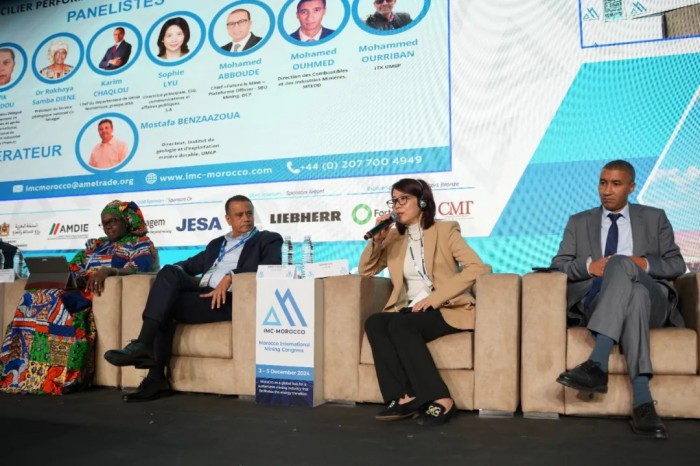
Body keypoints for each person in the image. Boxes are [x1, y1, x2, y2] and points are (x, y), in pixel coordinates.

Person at [552, 160, 686, 439]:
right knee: (634, 295)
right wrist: (589, 267)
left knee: (625, 268)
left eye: (615, 184)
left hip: (655, 302)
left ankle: (597, 363)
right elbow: (559, 264)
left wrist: (642, 263)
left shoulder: (655, 217)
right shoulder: (579, 221)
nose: (607, 190)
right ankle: (643, 403)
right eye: (603, 183)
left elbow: (676, 264)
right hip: (598, 301)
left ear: (631, 187)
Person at [104, 195, 283, 402]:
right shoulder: (217, 244)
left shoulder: (268, 239)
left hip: (229, 299)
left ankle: (150, 366)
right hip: (202, 293)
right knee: (169, 273)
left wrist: (231, 276)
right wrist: (167, 276)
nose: (246, 218)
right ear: (228, 219)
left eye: (249, 213)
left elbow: (271, 266)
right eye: (239, 215)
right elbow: (189, 265)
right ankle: (149, 360)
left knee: (165, 305)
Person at [360, 178, 488, 426]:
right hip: (411, 310)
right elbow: (366, 270)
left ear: (421, 202)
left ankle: (442, 399)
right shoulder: (394, 238)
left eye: (403, 199)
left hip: (446, 307)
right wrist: (377, 240)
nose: (397, 206)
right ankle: (404, 397)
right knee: (375, 322)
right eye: (394, 200)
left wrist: (435, 298)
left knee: (400, 325)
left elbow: (476, 267)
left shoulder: (445, 230)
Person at [0, 201, 156, 394]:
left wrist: (107, 271)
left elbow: (140, 269)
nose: (108, 227)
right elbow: (74, 266)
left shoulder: (140, 244)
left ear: (126, 221)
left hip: (93, 292)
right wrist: (60, 273)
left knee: (55, 303)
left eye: (113, 221)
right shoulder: (97, 246)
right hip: (75, 287)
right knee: (31, 298)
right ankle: (19, 372)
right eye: (104, 223)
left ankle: (56, 377)